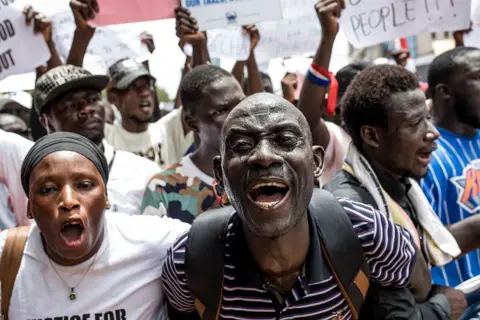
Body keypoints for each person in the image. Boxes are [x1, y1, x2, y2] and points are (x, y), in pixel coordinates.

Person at [162, 93, 417, 319]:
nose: (264, 156)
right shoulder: (189, 260)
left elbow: (418, 289)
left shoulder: (364, 230)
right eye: (241, 145)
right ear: (220, 173)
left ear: (316, 162)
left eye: (285, 140)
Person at [323, 62, 480, 319]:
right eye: (415, 123)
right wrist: (443, 306)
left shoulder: (396, 182)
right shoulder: (357, 213)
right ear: (372, 136)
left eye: (428, 117)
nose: (433, 133)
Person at [0, 132, 189, 319]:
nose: (68, 201)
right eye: (48, 189)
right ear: (30, 207)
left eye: (84, 185)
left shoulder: (155, 242)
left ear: (106, 197)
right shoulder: (7, 258)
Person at [34, 64, 161, 215]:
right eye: (71, 105)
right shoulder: (37, 181)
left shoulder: (144, 174)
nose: (87, 109)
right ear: (46, 121)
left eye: (93, 99)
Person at [141, 65, 245, 223]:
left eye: (241, 104)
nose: (237, 116)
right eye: (222, 111)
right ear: (193, 123)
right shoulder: (163, 188)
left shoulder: (262, 169)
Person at [422, 47, 480, 317]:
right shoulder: (423, 156)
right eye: (478, 76)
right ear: (445, 92)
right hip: (459, 307)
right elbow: (417, 249)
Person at [105, 58, 193, 167]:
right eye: (133, 87)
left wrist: (196, 49)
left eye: (147, 85)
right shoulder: (106, 138)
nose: (145, 93)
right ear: (113, 97)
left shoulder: (168, 130)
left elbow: (199, 100)